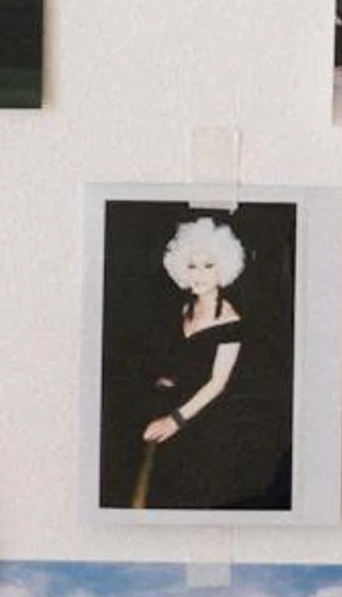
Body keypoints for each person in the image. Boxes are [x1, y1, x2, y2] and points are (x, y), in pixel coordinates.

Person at [124, 214, 282, 510]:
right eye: (192, 266)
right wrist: (172, 378)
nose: (199, 275)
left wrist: (175, 420)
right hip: (180, 399)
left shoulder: (231, 321)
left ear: (223, 269)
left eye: (208, 266)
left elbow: (217, 384)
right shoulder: (188, 305)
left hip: (209, 417)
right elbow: (187, 354)